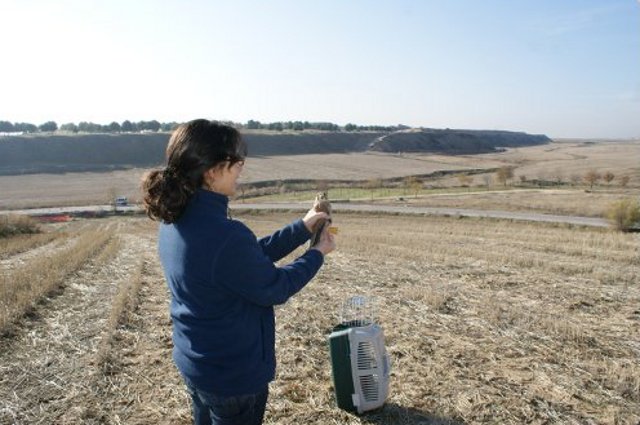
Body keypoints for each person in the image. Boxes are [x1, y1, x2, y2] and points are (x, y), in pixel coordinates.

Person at [141, 119, 335, 425]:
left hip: (198, 364)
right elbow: (275, 286)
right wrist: (317, 253)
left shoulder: (176, 218)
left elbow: (244, 260)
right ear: (211, 170)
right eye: (235, 159)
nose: (242, 165)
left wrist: (302, 228)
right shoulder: (224, 235)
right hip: (232, 377)